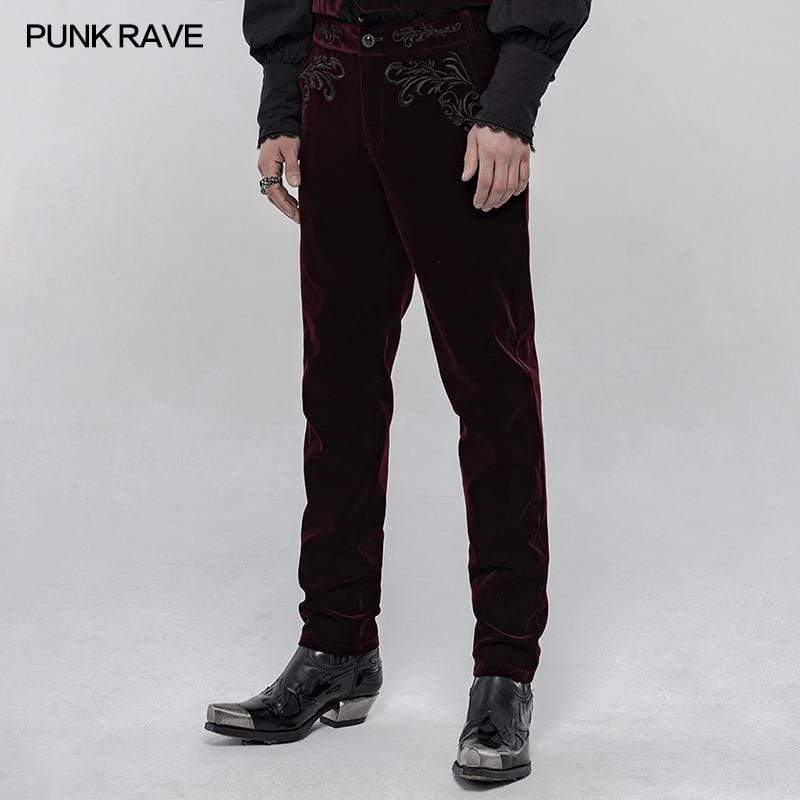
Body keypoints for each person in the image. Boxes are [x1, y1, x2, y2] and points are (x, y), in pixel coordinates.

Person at [205, 0, 590, 783]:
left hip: (454, 88)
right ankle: (336, 645)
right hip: (331, 84)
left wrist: (512, 101)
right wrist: (282, 103)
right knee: (337, 386)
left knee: (490, 388)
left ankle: (504, 671)